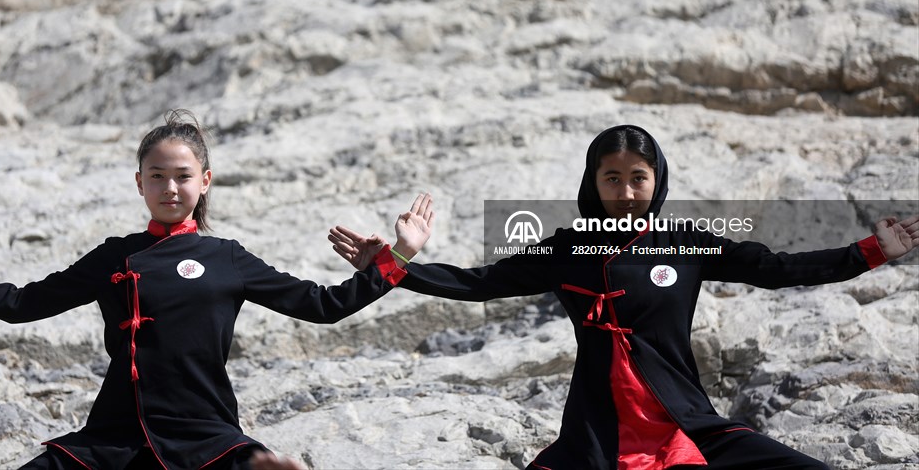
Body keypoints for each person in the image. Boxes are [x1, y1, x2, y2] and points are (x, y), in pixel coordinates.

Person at [330, 125, 919, 470]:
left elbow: (777, 268)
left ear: (657, 180)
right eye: (612, 178)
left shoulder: (685, 241)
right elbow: (479, 283)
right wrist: (394, 259)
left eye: (638, 177)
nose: (626, 190)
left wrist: (870, 251)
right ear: (593, 183)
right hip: (595, 436)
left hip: (683, 424)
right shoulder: (565, 247)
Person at [0, 109, 434, 470]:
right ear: (139, 183)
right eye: (157, 176)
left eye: (182, 176)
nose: (169, 188)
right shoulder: (116, 255)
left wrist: (398, 257)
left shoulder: (228, 258)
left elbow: (324, 306)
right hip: (112, 438)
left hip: (207, 437)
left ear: (205, 181)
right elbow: (18, 304)